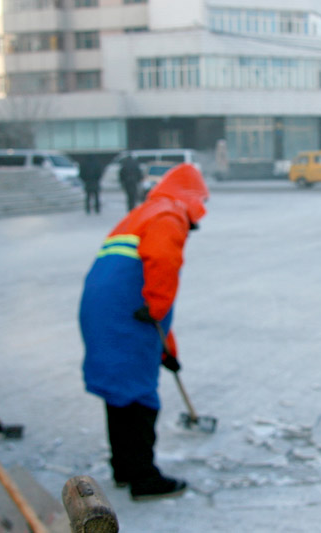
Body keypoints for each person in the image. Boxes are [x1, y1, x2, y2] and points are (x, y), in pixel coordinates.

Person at [79, 163, 209, 501]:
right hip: (126, 315)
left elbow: (156, 309)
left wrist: (169, 351)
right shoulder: (169, 215)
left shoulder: (145, 212)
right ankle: (143, 477)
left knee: (120, 394)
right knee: (139, 398)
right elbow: (163, 263)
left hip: (107, 312)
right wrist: (156, 309)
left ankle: (124, 468)